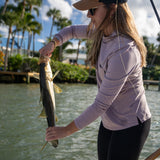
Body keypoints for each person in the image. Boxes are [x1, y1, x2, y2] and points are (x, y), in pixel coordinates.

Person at [39, 0, 151, 159]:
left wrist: (65, 130)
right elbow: (71, 31)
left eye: (92, 9)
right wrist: (53, 43)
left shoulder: (125, 50)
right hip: (109, 122)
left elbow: (100, 105)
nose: (88, 14)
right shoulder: (101, 32)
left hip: (131, 125)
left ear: (112, 10)